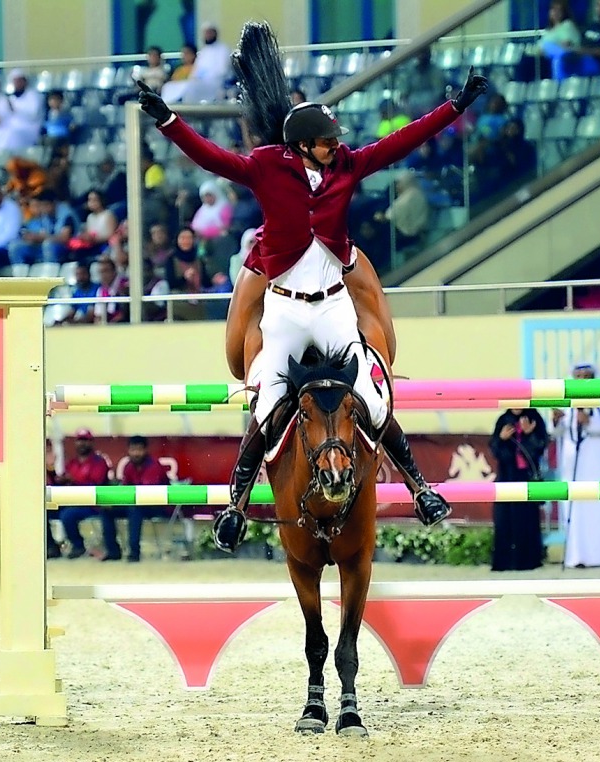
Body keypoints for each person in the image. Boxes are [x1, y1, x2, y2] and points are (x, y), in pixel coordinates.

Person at [139, 21, 489, 552]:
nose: (336, 146)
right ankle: (234, 507)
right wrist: (167, 119)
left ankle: (420, 488)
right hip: (283, 313)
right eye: (327, 141)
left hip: (332, 310)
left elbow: (398, 143)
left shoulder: (347, 164)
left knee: (372, 397)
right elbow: (211, 157)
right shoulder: (265, 166)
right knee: (266, 405)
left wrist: (455, 107)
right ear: (303, 145)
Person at [550, 364, 600, 568]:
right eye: (578, 376)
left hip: (597, 459)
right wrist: (556, 421)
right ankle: (577, 556)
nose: (582, 380)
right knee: (575, 504)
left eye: (586, 376)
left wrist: (589, 421)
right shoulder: (566, 401)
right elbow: (555, 433)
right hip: (573, 462)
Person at [489, 407, 549, 571]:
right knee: (503, 518)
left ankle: (528, 561)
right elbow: (494, 449)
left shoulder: (534, 417)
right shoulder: (503, 420)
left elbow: (540, 446)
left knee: (527, 518)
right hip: (507, 476)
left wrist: (529, 434)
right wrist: (502, 438)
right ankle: (504, 561)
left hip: (527, 477)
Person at [102, 435, 171, 562]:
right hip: (136, 504)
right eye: (133, 450)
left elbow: (147, 494)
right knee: (107, 509)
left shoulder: (153, 465)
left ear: (145, 450)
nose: (136, 453)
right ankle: (113, 551)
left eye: (139, 450)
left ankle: (134, 553)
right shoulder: (128, 467)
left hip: (158, 506)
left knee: (135, 509)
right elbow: (125, 490)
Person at [52, 429, 114, 559]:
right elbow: (63, 480)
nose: (82, 443)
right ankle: (52, 547)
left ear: (91, 442)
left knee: (68, 515)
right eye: (80, 440)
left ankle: (78, 545)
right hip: (73, 502)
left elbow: (96, 483)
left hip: (93, 505)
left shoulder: (99, 462)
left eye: (85, 440)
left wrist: (73, 480)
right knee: (46, 511)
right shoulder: (72, 463)